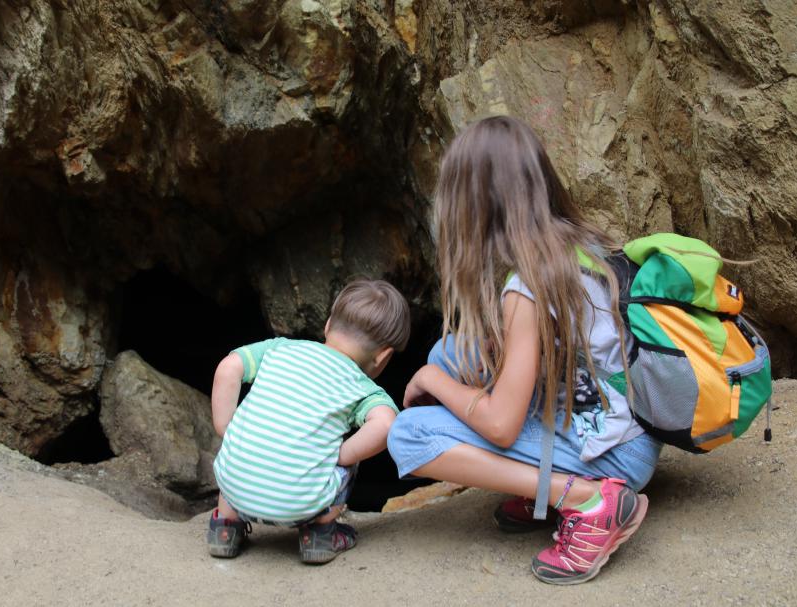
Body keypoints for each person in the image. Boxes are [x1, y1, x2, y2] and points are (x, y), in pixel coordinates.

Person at [387, 115, 662, 585]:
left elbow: (500, 423)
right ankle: (544, 487)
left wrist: (429, 381)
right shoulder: (585, 245)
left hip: (614, 454)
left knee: (410, 433)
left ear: (477, 206)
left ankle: (585, 500)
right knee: (453, 353)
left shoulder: (526, 288)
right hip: (632, 428)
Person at [207, 279, 410, 564]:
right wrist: (341, 455)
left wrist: (225, 428)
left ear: (327, 325)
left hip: (234, 487)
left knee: (246, 436)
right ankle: (320, 533)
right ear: (384, 356)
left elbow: (229, 367)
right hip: (300, 504)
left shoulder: (280, 349)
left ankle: (225, 527)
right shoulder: (361, 387)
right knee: (351, 455)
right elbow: (386, 424)